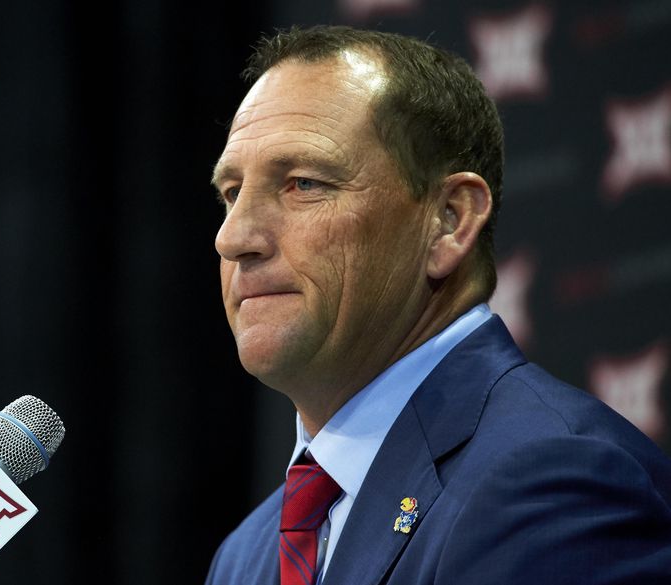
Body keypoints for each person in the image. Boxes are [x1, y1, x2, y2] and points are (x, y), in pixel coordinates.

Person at [204, 24, 671, 585]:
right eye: (232, 193)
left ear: (449, 221)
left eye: (303, 183)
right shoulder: (245, 556)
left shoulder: (551, 485)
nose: (233, 238)